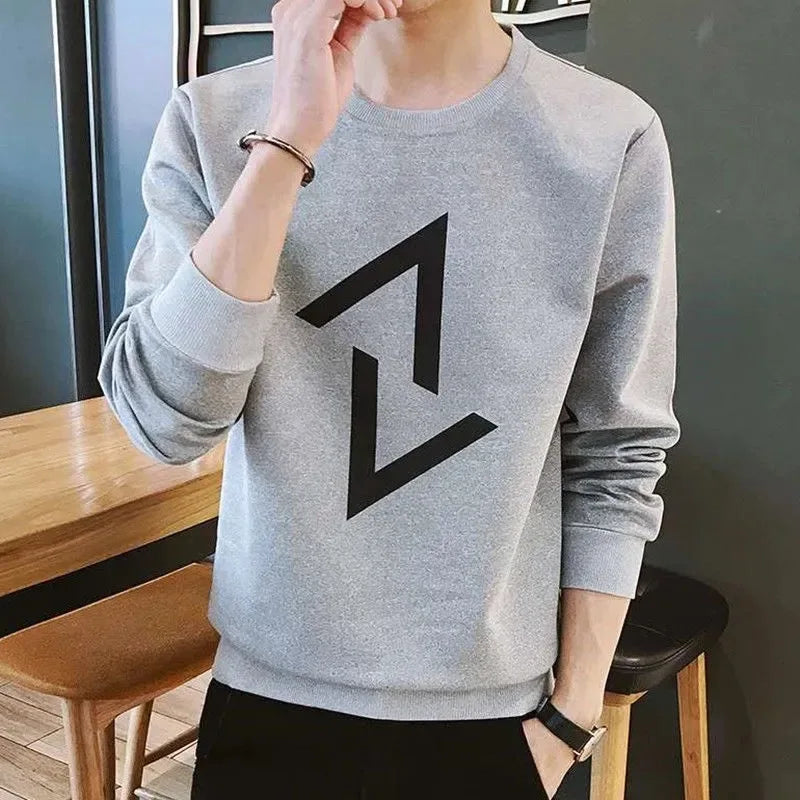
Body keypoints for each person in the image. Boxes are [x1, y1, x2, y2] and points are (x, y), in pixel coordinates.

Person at [98, 0, 680, 797]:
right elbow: (164, 422)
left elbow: (617, 452)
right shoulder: (216, 119)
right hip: (268, 699)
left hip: (494, 720)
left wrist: (572, 717)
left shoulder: (607, 138)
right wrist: (287, 144)